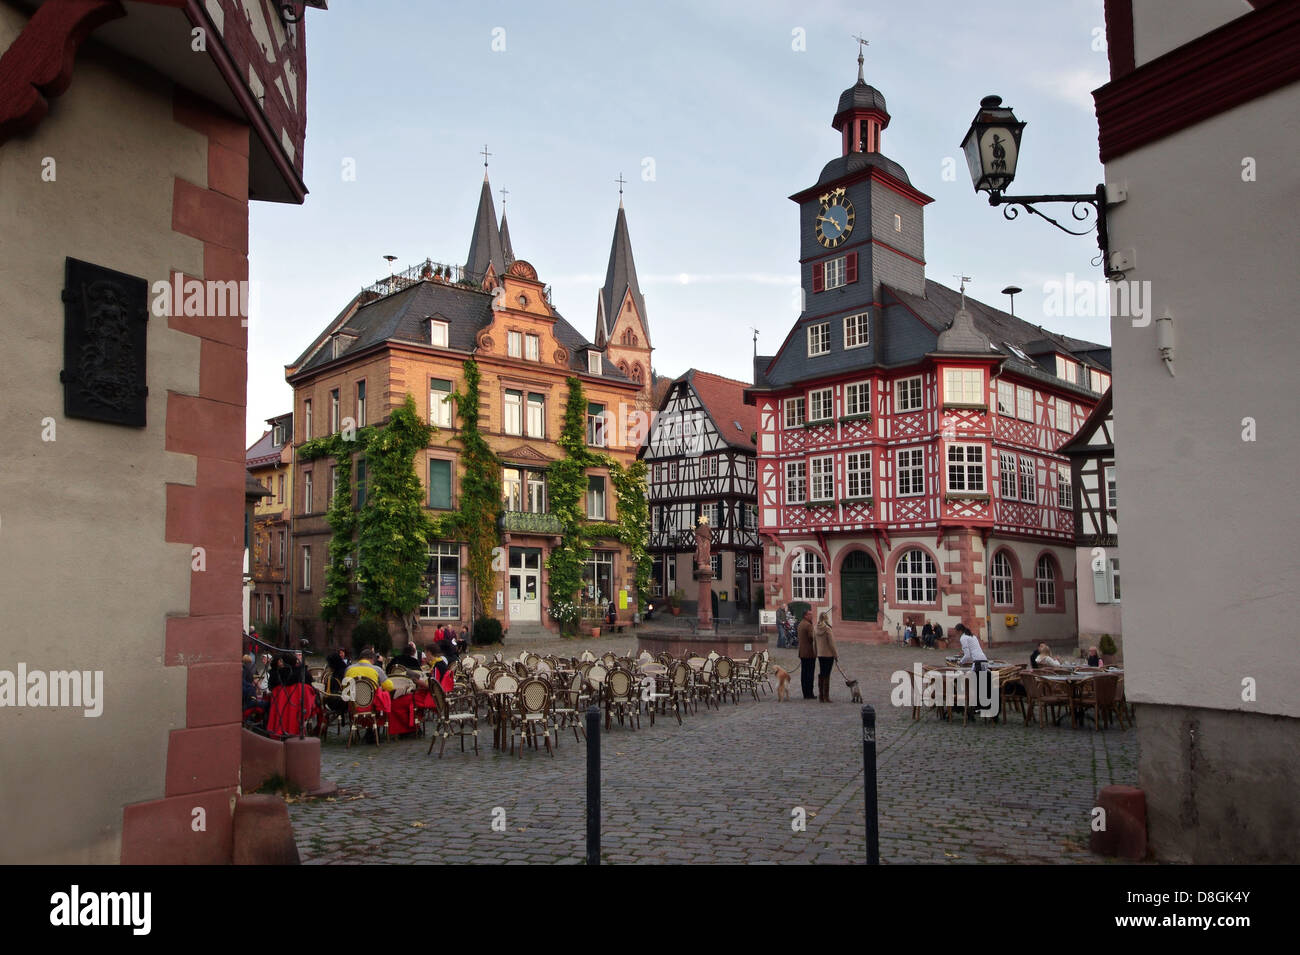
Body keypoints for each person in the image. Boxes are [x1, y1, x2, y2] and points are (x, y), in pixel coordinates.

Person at [814, 610, 838, 703]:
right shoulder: (828, 629)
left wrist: (816, 652)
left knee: (822, 673)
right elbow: (831, 644)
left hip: (820, 654)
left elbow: (814, 642)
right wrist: (835, 654)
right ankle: (826, 696)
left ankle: (821, 695)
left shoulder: (815, 628)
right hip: (828, 654)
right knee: (827, 674)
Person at [796, 610, 816, 700]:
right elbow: (812, 637)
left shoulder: (801, 624)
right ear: (805, 616)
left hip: (802, 652)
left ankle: (805, 693)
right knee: (809, 674)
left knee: (804, 674)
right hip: (809, 653)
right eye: (810, 614)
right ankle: (809, 693)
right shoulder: (808, 625)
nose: (811, 616)